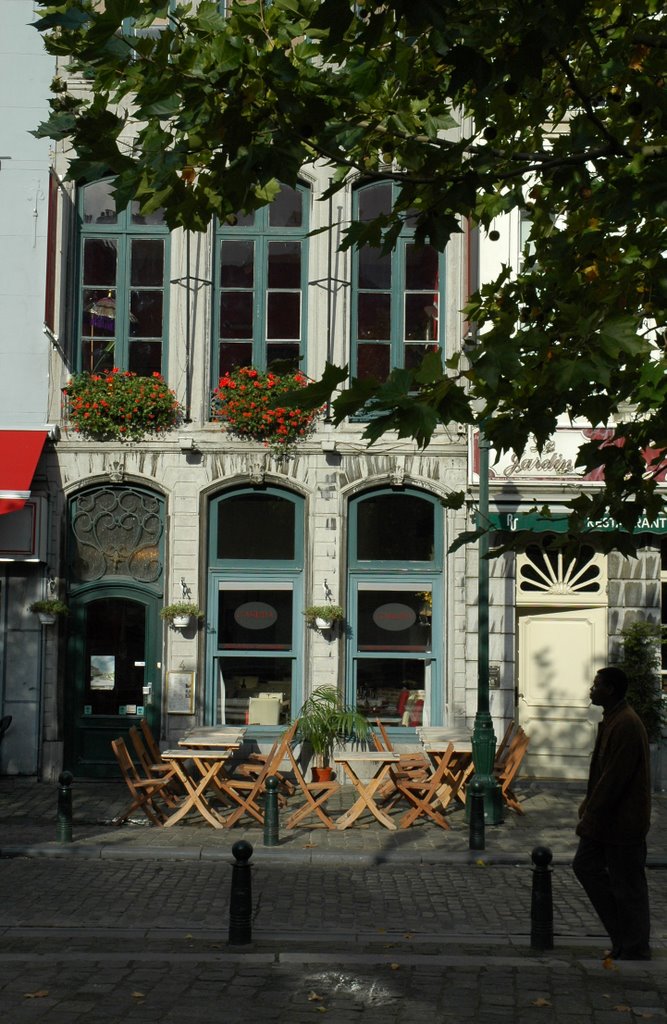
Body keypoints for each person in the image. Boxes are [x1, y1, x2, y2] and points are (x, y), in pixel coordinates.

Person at [573, 666, 651, 960]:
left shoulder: (626, 724)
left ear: (612, 690)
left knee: (627, 885)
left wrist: (590, 817)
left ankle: (633, 945)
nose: (591, 690)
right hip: (609, 819)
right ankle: (625, 939)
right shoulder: (613, 720)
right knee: (595, 870)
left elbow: (614, 780)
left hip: (622, 821)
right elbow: (602, 773)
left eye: (597, 685)